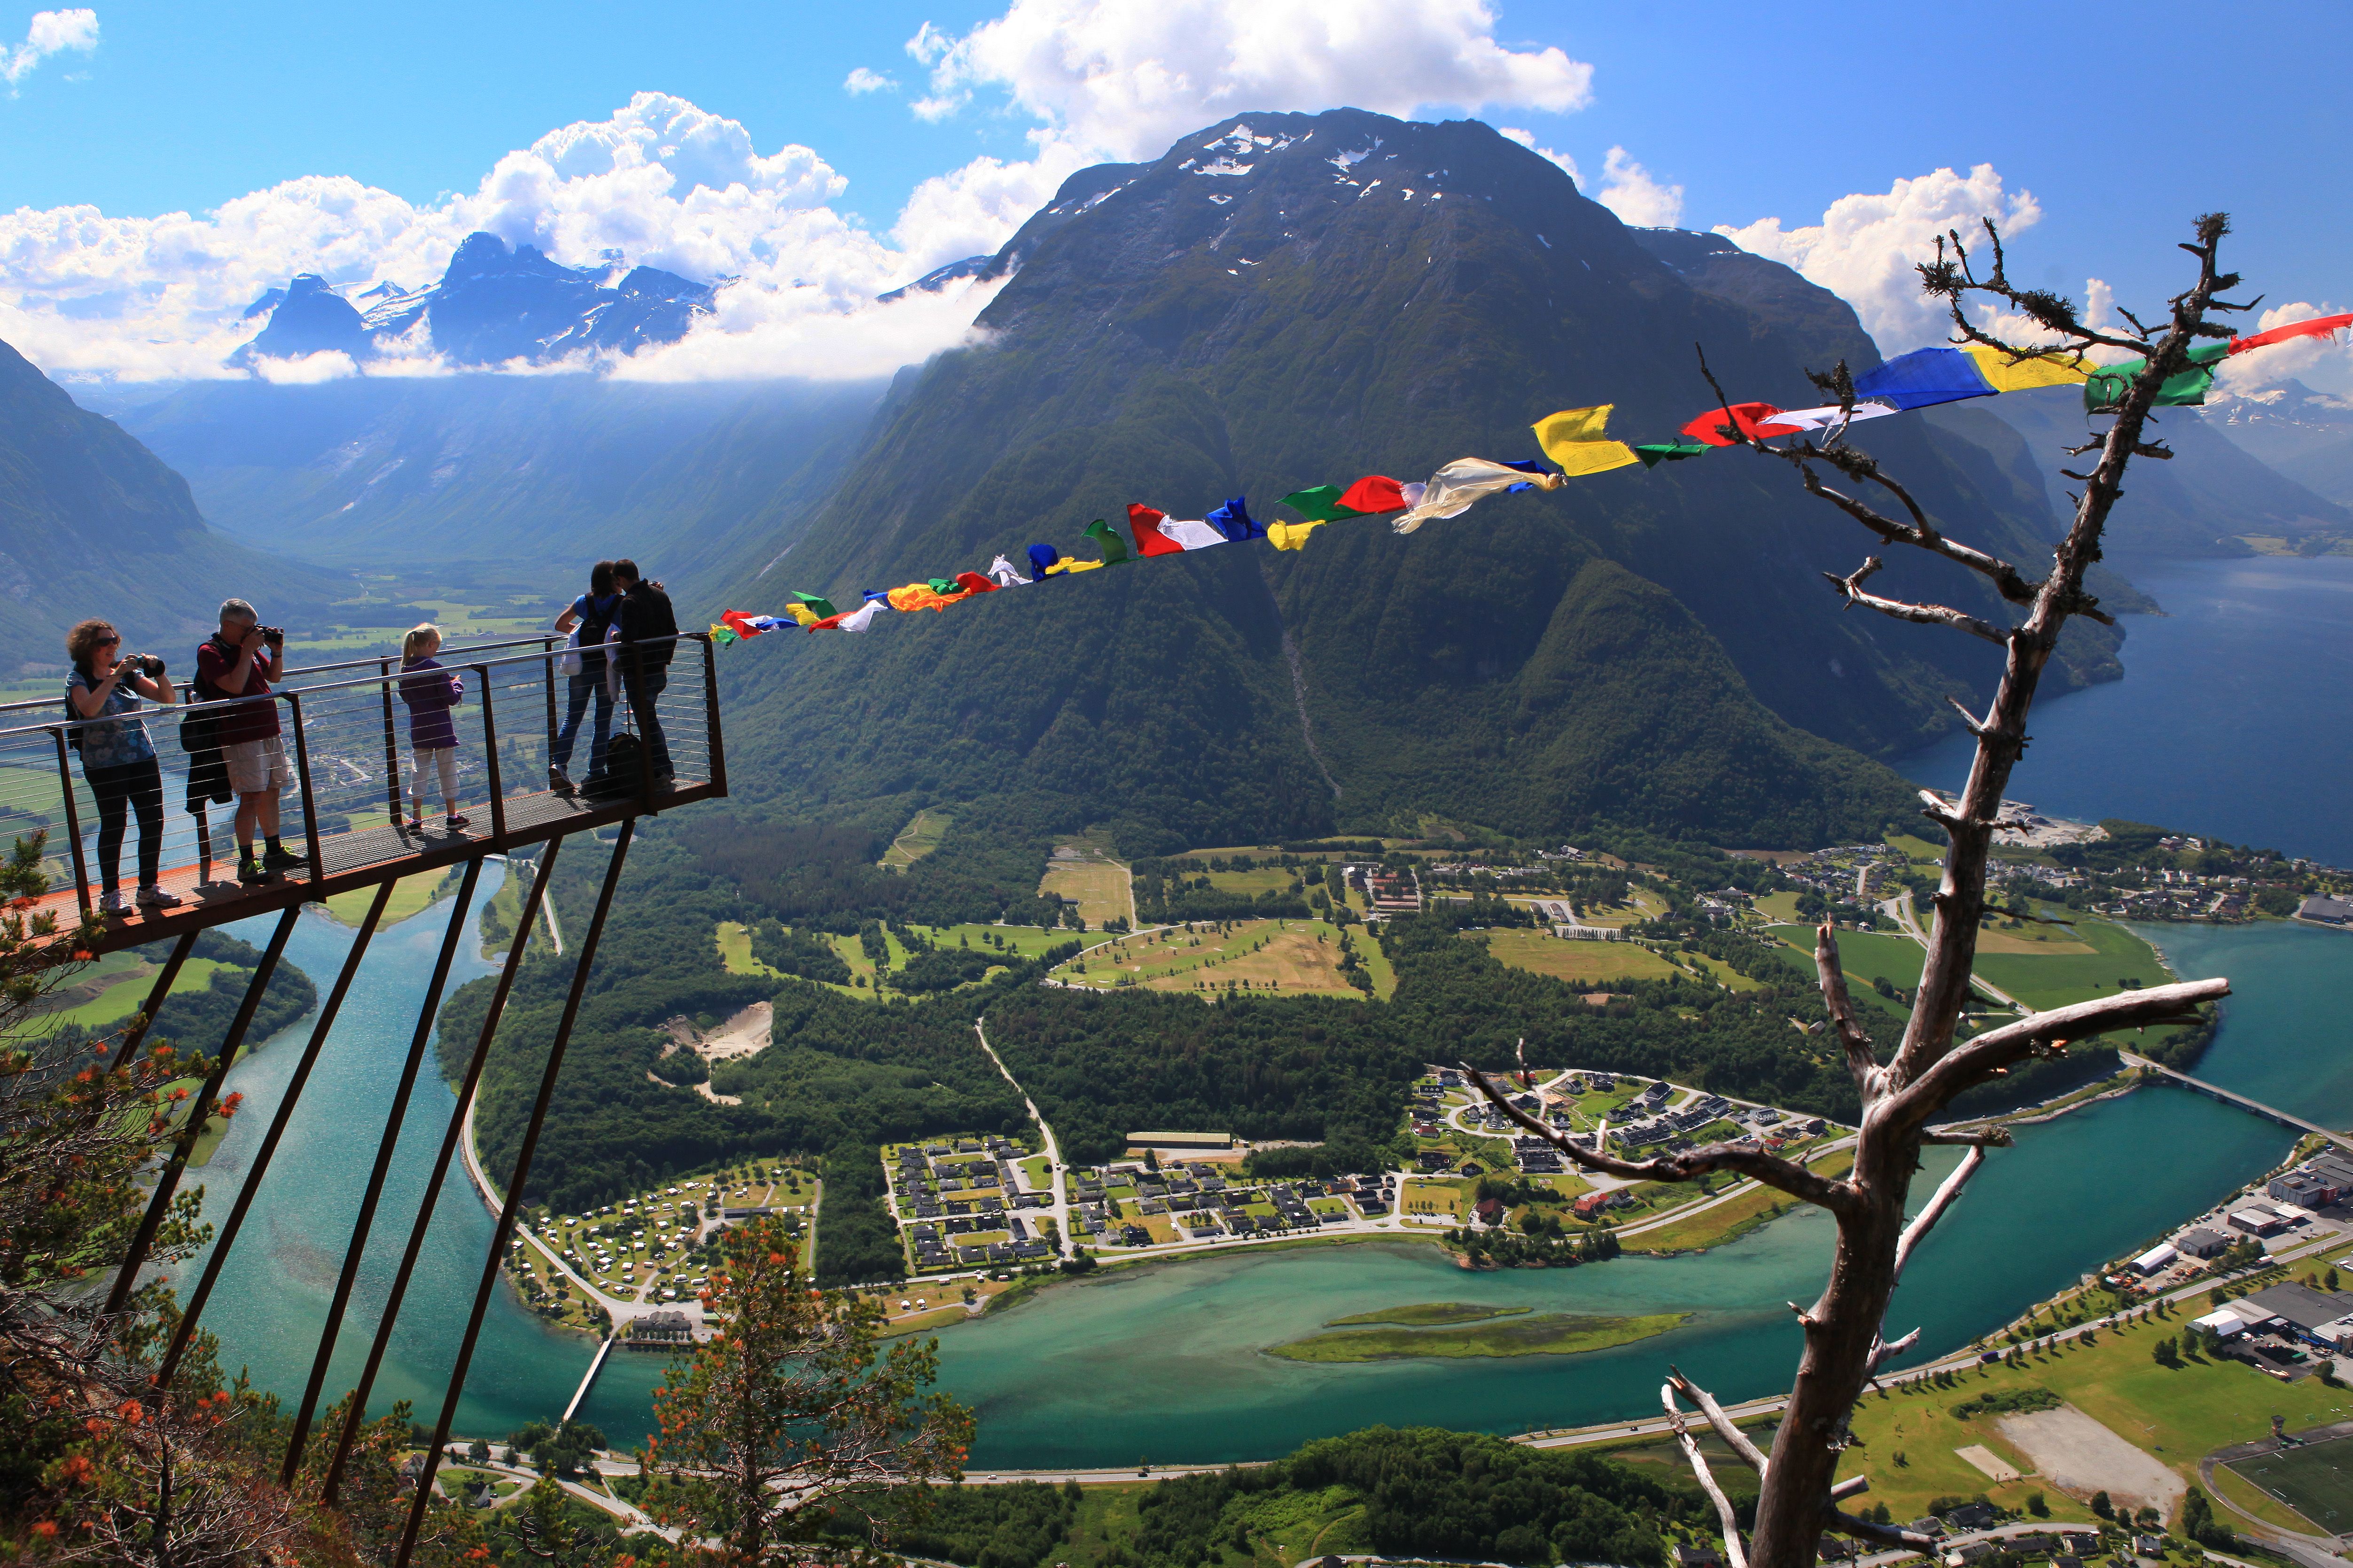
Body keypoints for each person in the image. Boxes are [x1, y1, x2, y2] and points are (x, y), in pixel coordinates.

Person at [63, 620, 181, 913]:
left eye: (114, 639)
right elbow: (89, 709)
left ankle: (148, 887)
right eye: (104, 642)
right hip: (104, 764)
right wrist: (115, 677)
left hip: (142, 755)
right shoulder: (78, 679)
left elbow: (167, 698)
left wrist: (160, 672)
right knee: (115, 824)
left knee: (153, 820)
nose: (112, 646)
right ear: (88, 647)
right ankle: (110, 894)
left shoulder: (128, 674)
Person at [195, 598, 300, 885]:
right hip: (240, 736)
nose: (253, 632)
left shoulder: (248, 650)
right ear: (228, 625)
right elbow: (233, 686)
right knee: (251, 796)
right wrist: (247, 652)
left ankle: (274, 850)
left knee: (273, 789)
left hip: (268, 730)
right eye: (247, 628)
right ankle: (246, 861)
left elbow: (273, 678)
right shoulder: (210, 651)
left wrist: (276, 652)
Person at [547, 560, 620, 794]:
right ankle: (596, 772)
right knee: (603, 721)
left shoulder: (583, 601)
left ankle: (559, 764)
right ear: (613, 580)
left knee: (573, 717)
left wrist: (579, 633)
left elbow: (560, 625)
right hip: (607, 667)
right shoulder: (621, 603)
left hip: (580, 666)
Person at [397, 623, 468, 832]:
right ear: (429, 644)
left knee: (419, 770)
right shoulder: (436, 669)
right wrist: (457, 685)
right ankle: (452, 815)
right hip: (441, 728)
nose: (436, 651)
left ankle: (416, 819)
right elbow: (451, 699)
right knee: (447, 770)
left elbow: (407, 697)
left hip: (419, 728)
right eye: (436, 647)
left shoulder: (405, 670)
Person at [612, 559, 678, 784]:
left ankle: (663, 770)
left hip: (639, 673)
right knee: (649, 719)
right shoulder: (661, 596)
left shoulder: (630, 602)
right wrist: (665, 662)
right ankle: (661, 769)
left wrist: (617, 637)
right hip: (659, 668)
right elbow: (673, 631)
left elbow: (630, 637)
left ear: (621, 579)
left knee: (648, 723)